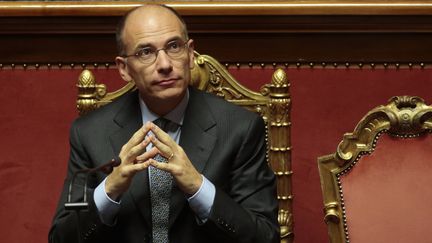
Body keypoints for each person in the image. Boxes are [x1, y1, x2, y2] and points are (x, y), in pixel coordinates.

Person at [49, 4, 279, 243]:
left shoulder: (240, 128)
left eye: (174, 46)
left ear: (190, 54)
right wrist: (109, 189)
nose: (165, 64)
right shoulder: (89, 133)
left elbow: (265, 236)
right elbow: (61, 238)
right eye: (145, 52)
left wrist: (199, 187)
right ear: (124, 69)